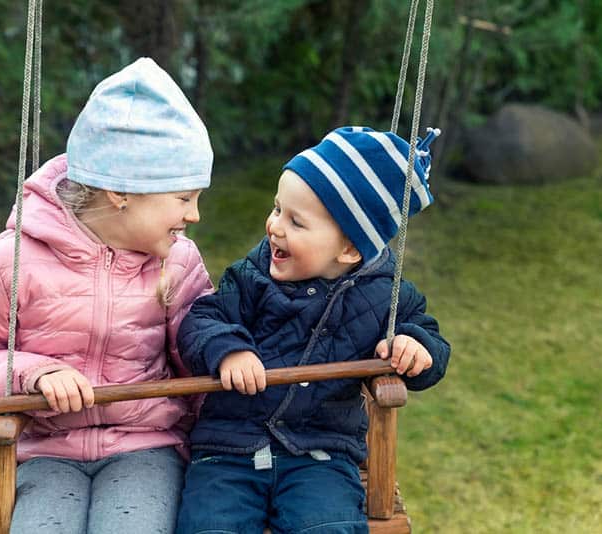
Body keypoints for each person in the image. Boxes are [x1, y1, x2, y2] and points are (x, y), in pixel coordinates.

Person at [0, 57, 214, 534]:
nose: (195, 216)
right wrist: (33, 374)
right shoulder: (13, 260)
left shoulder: (178, 262)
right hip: (47, 452)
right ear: (125, 191)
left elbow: (202, 358)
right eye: (184, 198)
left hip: (146, 448)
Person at [175, 126, 451, 534]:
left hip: (320, 453)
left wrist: (416, 347)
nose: (275, 227)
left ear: (350, 249)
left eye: (296, 222)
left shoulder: (386, 296)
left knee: (328, 526)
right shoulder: (252, 277)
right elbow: (201, 319)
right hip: (229, 447)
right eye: (276, 209)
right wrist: (229, 350)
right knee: (209, 526)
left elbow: (431, 343)